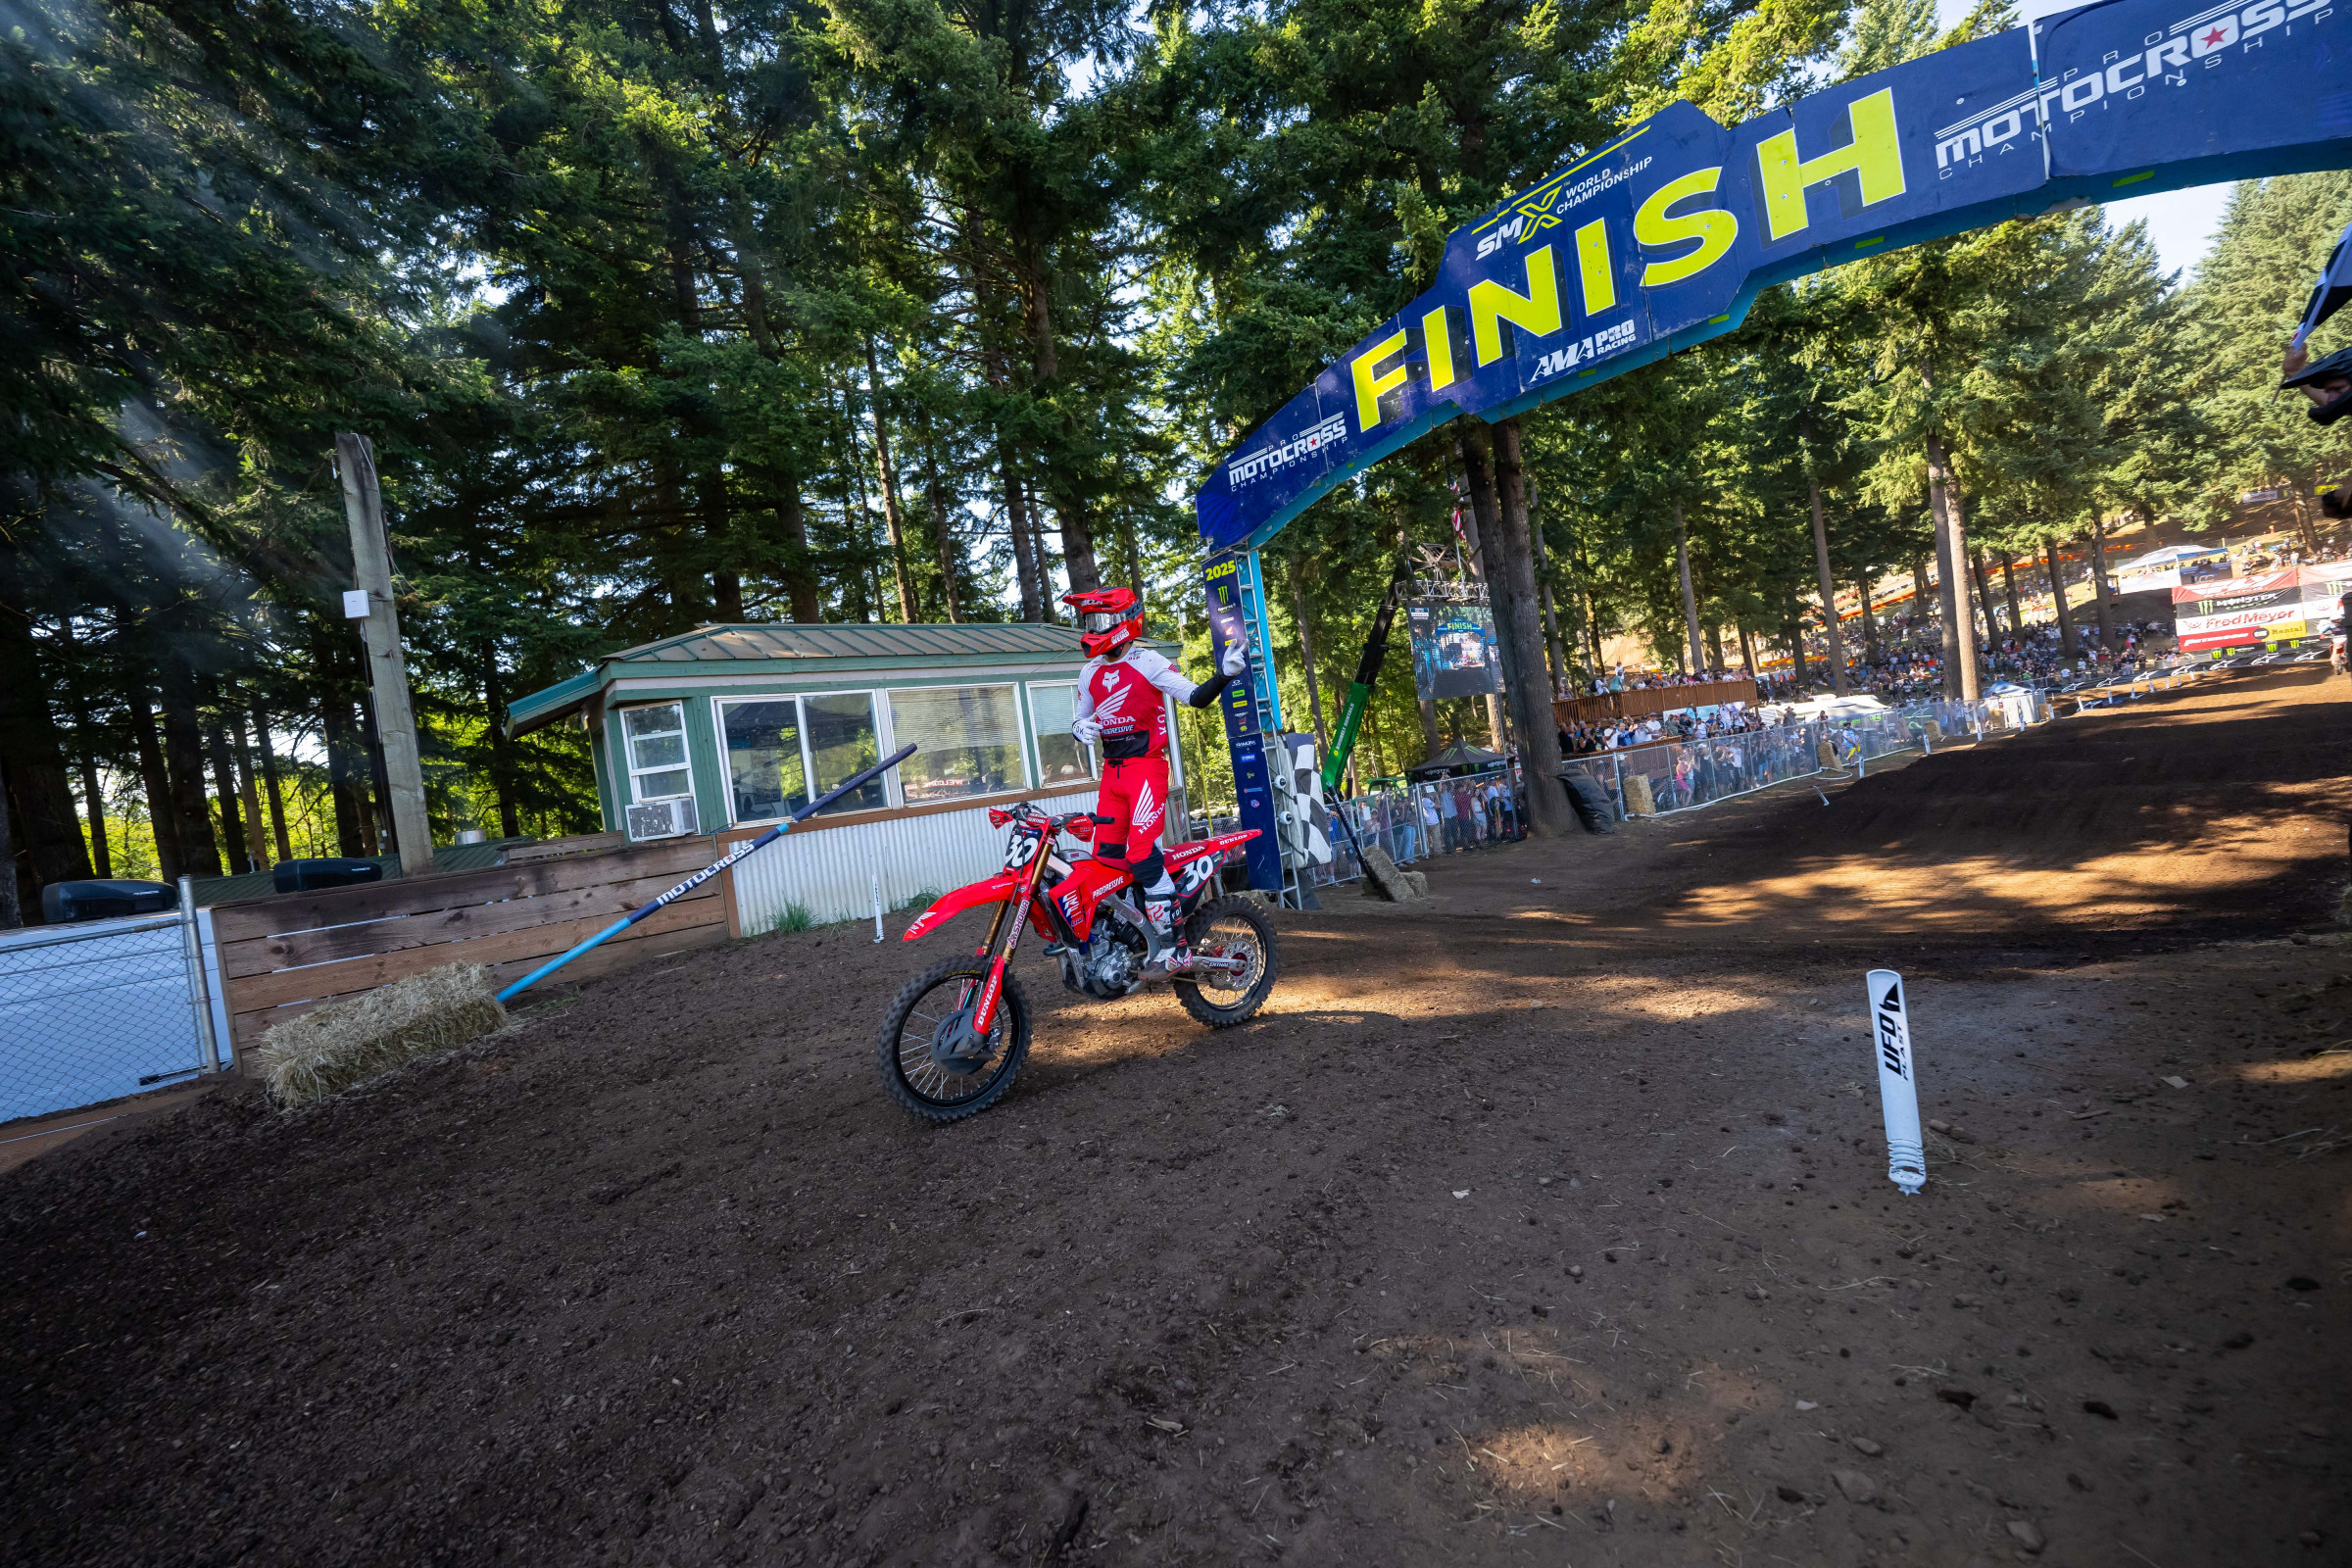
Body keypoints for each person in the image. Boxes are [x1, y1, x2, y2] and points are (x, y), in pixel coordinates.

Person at [1066, 586, 1245, 969]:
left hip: (1146, 769)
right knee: (1106, 859)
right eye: (1089, 621)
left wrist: (1224, 675)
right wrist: (1078, 728)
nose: (1093, 629)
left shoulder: (1148, 661)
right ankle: (1130, 937)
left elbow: (1195, 697)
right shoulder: (1088, 671)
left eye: (1101, 620)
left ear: (1125, 622)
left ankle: (1175, 945)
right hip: (1111, 774)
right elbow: (1081, 717)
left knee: (1141, 853)